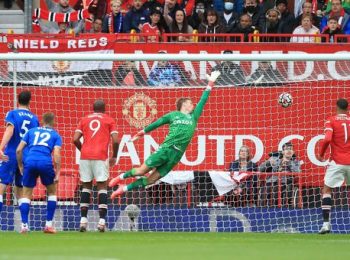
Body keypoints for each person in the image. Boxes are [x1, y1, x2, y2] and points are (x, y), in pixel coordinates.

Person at [108, 70, 221, 199]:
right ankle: (120, 177)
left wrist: (211, 83)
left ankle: (124, 188)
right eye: (190, 103)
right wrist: (142, 132)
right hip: (166, 149)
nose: (193, 105)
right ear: (183, 104)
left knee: (151, 180)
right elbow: (157, 123)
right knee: (141, 171)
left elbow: (203, 99)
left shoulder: (193, 117)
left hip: (176, 155)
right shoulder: (173, 115)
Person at [73, 100, 119, 232]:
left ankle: (83, 221)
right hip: (101, 156)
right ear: (104, 109)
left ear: (93, 109)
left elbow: (75, 139)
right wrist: (114, 156)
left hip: (85, 156)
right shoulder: (109, 120)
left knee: (86, 187)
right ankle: (101, 222)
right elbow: (115, 140)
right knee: (102, 187)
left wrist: (83, 150)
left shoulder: (84, 119)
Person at [16, 113, 62, 234]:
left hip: (30, 161)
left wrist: (21, 165)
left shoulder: (31, 131)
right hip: (45, 162)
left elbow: (19, 150)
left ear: (42, 121)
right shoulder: (55, 135)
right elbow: (56, 154)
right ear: (54, 122)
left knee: (26, 194)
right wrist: (58, 172)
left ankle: (24, 226)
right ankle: (48, 225)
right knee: (52, 192)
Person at [0, 91, 39, 220]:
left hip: (11, 154)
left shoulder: (12, 114)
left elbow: (10, 130)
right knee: (21, 190)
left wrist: (0, 148)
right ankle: (24, 224)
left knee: (2, 186)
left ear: (18, 100)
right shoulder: (34, 118)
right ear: (29, 101)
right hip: (26, 156)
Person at [317, 99, 350, 234]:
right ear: (347, 108)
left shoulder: (331, 120)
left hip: (337, 161)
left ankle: (326, 224)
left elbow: (327, 139)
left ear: (336, 107)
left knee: (326, 190)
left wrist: (321, 154)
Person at [259, 142, 301, 207]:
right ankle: (262, 209)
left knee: (276, 190)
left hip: (285, 182)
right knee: (265, 191)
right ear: (283, 152)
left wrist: (289, 163)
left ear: (293, 152)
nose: (289, 150)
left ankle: (276, 208)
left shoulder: (295, 162)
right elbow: (260, 168)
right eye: (287, 149)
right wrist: (268, 163)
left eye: (291, 149)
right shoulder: (274, 159)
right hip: (271, 181)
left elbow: (298, 171)